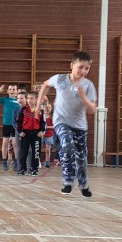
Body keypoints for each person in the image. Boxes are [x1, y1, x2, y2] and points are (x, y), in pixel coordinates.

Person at [36, 51, 98, 197]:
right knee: (67, 146)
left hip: (80, 125)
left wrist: (83, 97)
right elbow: (45, 84)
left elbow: (92, 110)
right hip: (61, 121)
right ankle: (68, 181)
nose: (83, 71)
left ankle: (83, 185)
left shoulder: (88, 85)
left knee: (81, 157)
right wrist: (38, 105)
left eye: (87, 68)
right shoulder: (60, 79)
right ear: (72, 65)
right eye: (80, 67)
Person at [0, 83, 21, 171]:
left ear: (17, 91)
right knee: (5, 143)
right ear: (7, 91)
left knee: (15, 144)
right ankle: (4, 161)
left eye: (14, 89)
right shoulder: (5, 99)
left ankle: (16, 162)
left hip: (16, 125)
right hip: (6, 124)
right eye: (10, 89)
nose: (12, 91)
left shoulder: (19, 100)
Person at [14, 91, 44, 176]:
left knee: (36, 153)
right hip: (25, 134)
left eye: (31, 98)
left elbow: (43, 122)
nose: (29, 100)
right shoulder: (23, 110)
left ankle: (34, 169)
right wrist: (20, 131)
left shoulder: (40, 110)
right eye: (28, 98)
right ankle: (22, 169)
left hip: (36, 134)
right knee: (23, 152)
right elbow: (18, 122)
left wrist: (42, 131)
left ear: (36, 99)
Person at [41, 100, 59, 168]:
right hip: (41, 134)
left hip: (49, 135)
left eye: (49, 107)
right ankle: (37, 161)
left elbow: (55, 126)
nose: (48, 109)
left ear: (51, 108)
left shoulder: (52, 117)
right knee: (38, 148)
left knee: (48, 150)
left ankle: (47, 162)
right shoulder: (42, 116)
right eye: (46, 107)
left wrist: (47, 127)